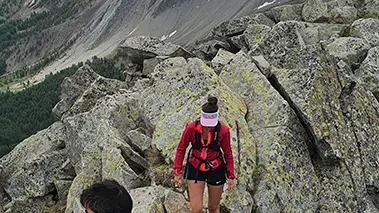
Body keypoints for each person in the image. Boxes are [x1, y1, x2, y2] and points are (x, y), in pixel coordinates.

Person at [173, 96, 236, 213]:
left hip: (216, 168)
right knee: (196, 209)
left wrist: (231, 176)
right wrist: (177, 172)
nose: (207, 127)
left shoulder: (223, 131)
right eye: (205, 123)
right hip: (195, 167)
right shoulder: (191, 128)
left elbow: (228, 154)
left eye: (210, 124)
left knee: (213, 208)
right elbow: (181, 148)